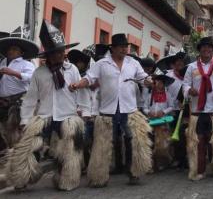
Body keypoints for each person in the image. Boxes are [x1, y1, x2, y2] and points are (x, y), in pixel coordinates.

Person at [6, 20, 89, 191]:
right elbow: (30, 98)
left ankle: (66, 179)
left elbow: (82, 91)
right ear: (48, 55)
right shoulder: (39, 73)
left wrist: (84, 110)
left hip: (68, 116)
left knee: (68, 150)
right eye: (56, 53)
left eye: (61, 51)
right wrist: (25, 120)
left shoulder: (72, 69)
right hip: (44, 115)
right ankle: (23, 177)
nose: (60, 55)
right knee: (30, 147)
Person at [69, 33, 153, 187]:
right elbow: (89, 78)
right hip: (108, 110)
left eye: (125, 47)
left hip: (129, 110)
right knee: (103, 143)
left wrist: (149, 81)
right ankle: (100, 176)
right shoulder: (101, 64)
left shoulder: (133, 63)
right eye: (120, 47)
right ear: (113, 48)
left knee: (132, 141)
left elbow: (143, 77)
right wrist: (77, 85)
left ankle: (133, 172)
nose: (124, 49)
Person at [182, 37, 213, 181]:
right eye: (203, 47)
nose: (206, 50)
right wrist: (189, 90)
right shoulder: (191, 67)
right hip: (197, 112)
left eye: (209, 47)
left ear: (212, 50)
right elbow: (185, 85)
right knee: (198, 142)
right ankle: (199, 170)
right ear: (200, 50)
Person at [0, 26, 38, 150]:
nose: (11, 51)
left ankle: (18, 156)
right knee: (3, 131)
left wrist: (13, 73)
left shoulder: (27, 64)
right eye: (10, 49)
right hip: (2, 101)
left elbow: (32, 77)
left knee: (17, 132)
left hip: (18, 102)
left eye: (15, 49)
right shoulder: (3, 62)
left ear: (21, 52)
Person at [145, 70, 176, 172]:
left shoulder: (167, 95)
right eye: (157, 82)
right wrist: (149, 112)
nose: (159, 84)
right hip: (151, 122)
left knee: (162, 144)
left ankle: (162, 163)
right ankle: (151, 165)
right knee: (150, 143)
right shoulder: (149, 95)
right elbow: (144, 107)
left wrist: (163, 111)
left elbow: (172, 106)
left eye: (161, 83)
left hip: (163, 122)